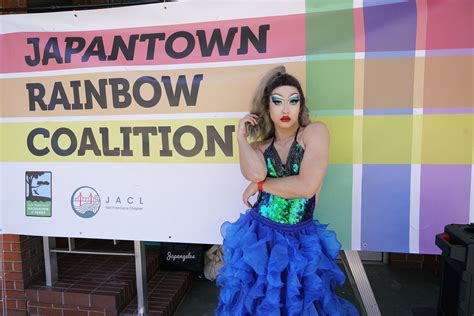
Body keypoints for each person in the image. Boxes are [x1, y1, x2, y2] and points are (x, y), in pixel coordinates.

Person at [215, 66, 360, 315]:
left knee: (298, 302)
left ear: (301, 106)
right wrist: (241, 139)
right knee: (260, 303)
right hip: (260, 237)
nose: (285, 109)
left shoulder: (314, 133)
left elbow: (306, 187)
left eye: (293, 101)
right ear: (267, 107)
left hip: (300, 238)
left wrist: (261, 186)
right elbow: (256, 173)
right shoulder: (259, 146)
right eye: (277, 102)